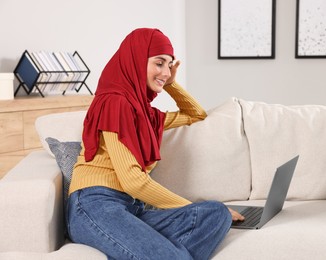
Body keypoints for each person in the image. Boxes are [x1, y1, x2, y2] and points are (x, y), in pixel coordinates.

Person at [66, 28, 244, 260]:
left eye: (169, 64)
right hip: (95, 205)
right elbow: (133, 182)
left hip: (131, 208)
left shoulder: (146, 115)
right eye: (159, 63)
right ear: (137, 61)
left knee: (217, 213)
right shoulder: (114, 102)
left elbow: (196, 114)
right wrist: (184, 207)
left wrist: (170, 84)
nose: (165, 71)